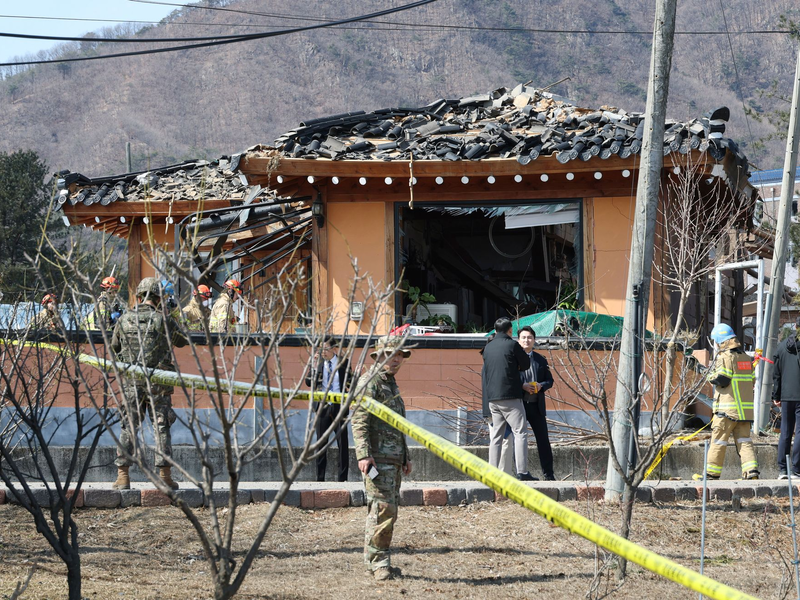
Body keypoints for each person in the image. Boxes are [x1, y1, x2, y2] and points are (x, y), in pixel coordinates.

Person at [110, 277, 188, 490]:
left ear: (138, 296)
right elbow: (183, 341)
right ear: (158, 297)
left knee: (128, 426)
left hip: (132, 382)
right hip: (159, 383)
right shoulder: (163, 319)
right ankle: (164, 476)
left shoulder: (124, 319)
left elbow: (114, 347)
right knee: (161, 427)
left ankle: (123, 476)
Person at [352, 336, 412, 581]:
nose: (397, 359)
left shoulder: (390, 383)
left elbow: (398, 424)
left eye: (400, 355)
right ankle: (380, 563)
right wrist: (364, 454)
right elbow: (359, 419)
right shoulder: (371, 381)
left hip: (393, 459)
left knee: (382, 511)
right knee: (383, 511)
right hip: (378, 458)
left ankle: (373, 560)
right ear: (378, 356)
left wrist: (405, 455)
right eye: (391, 354)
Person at [693, 323, 759, 481]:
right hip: (744, 412)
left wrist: (702, 371)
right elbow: (751, 380)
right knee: (744, 441)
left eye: (716, 341)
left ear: (721, 341)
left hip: (727, 411)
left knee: (718, 441)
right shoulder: (745, 358)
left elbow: (721, 379)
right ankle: (752, 473)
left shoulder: (725, 357)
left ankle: (711, 475)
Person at [481, 317, 535, 480]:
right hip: (510, 396)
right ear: (510, 331)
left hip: (493, 398)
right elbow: (525, 364)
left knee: (496, 435)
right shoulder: (512, 345)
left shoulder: (488, 347)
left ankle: (492, 471)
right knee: (520, 432)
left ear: (495, 331)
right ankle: (522, 471)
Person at [306, 339, 353, 482]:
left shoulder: (343, 362)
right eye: (320, 349)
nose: (323, 352)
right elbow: (309, 383)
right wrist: (313, 367)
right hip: (323, 406)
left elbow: (350, 384)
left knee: (342, 444)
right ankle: (320, 478)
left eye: (325, 349)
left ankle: (342, 479)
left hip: (339, 407)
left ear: (334, 348)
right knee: (320, 444)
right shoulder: (318, 363)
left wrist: (355, 377)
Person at [518, 326, 556, 481]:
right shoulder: (513, 358)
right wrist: (522, 386)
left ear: (534, 340)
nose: (527, 340)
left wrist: (541, 386)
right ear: (518, 340)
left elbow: (550, 380)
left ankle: (549, 474)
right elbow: (509, 379)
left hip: (536, 405)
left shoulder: (541, 359)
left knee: (543, 440)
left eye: (530, 338)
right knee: (518, 439)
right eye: (524, 337)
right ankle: (520, 472)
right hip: (518, 405)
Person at [772, 317, 800, 479]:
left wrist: (776, 395)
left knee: (785, 431)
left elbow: (776, 375)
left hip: (786, 395)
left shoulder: (782, 347)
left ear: (795, 326)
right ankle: (797, 469)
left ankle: (782, 470)